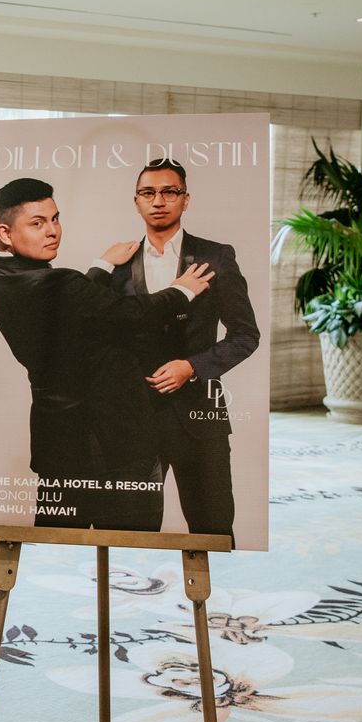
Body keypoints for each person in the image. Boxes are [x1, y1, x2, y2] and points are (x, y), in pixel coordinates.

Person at [0, 177, 214, 531]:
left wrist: (100, 266)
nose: (52, 231)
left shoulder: (2, 283)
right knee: (133, 549)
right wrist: (180, 290)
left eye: (55, 218)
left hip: (58, 444)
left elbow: (75, 314)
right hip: (114, 442)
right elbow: (130, 313)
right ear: (5, 232)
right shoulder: (59, 284)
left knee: (59, 549)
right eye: (37, 223)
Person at [108, 156, 260, 539]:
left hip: (200, 419)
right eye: (148, 192)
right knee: (130, 531)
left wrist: (191, 367)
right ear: (136, 201)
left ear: (186, 199)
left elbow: (246, 334)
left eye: (169, 191)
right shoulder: (118, 263)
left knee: (213, 529)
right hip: (133, 420)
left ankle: (205, 601)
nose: (158, 200)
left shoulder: (216, 256)